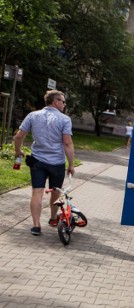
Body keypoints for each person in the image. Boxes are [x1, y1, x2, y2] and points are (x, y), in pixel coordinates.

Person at [13, 90, 75, 236]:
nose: (65, 104)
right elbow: (67, 143)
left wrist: (18, 151)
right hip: (57, 163)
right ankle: (53, 218)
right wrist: (71, 164)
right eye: (63, 101)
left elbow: (19, 136)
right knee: (56, 192)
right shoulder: (65, 119)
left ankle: (36, 226)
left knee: (37, 192)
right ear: (55, 101)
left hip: (37, 161)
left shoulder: (33, 115)